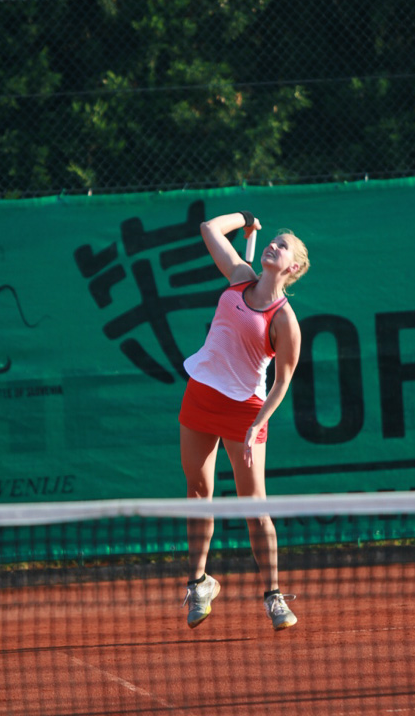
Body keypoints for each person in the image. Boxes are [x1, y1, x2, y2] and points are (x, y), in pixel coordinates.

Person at [179, 210, 310, 630]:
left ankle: (274, 595)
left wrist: (257, 424)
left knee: (254, 506)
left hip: (245, 410)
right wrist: (246, 218)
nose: (273, 244)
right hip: (201, 395)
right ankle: (199, 583)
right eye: (272, 240)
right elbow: (209, 229)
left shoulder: (285, 321)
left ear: (293, 268)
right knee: (198, 492)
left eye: (282, 246)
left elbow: (282, 382)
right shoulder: (239, 276)